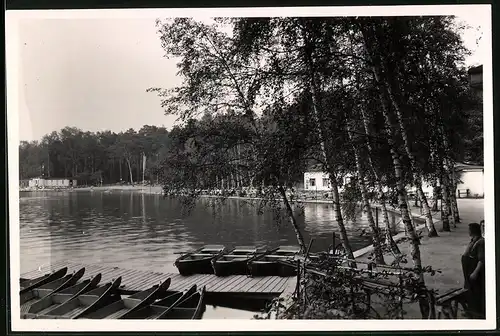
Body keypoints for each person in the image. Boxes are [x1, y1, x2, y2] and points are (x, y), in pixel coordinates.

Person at [461, 222, 485, 318]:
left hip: (474, 272)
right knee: (470, 291)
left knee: (476, 292)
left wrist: (475, 272)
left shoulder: (480, 242)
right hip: (468, 272)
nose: (468, 231)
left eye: (469, 229)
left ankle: (476, 313)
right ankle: (471, 310)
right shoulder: (473, 241)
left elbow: (481, 260)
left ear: (473, 231)